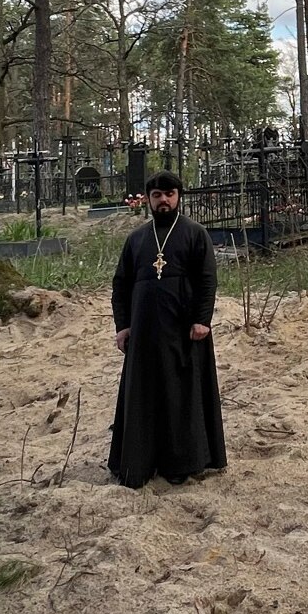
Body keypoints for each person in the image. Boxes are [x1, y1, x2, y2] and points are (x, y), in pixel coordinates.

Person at [108, 170, 226, 488]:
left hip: (184, 333)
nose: (164, 200)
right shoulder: (136, 239)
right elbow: (121, 285)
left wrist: (202, 319)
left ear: (178, 197)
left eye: (169, 194)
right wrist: (123, 326)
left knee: (181, 396)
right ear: (148, 199)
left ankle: (182, 464)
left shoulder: (194, 233)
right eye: (157, 195)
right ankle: (139, 464)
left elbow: (206, 279)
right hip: (144, 335)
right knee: (144, 397)